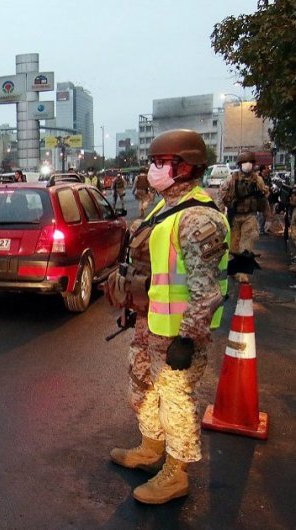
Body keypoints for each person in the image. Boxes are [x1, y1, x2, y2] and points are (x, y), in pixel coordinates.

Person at [104, 129, 229, 505]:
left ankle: (176, 473)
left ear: (185, 166)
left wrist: (187, 341)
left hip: (178, 337)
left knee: (175, 402)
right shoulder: (164, 206)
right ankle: (149, 448)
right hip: (151, 323)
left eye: (160, 163)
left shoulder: (198, 219)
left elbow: (205, 293)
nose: (152, 169)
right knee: (142, 387)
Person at [217, 151, 268, 282]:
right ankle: (234, 270)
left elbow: (264, 197)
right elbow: (221, 196)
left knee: (247, 243)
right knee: (233, 244)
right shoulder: (232, 179)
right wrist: (220, 215)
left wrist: (268, 216)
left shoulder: (258, 180)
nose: (248, 165)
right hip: (234, 215)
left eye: (250, 162)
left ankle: (243, 272)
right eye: (245, 162)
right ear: (239, 164)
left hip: (249, 215)